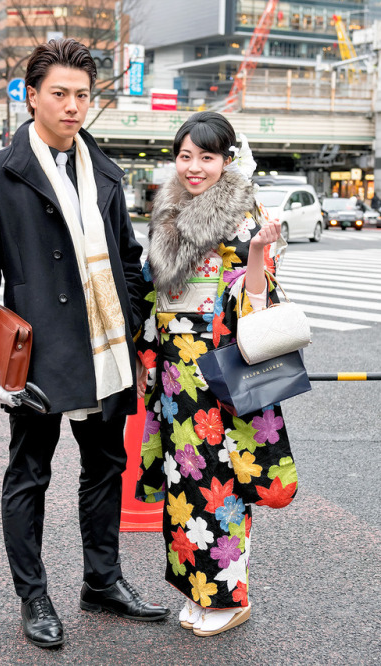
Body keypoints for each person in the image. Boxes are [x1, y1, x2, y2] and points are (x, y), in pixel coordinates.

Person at [0, 39, 169, 649]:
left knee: (106, 466)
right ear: (32, 96)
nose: (73, 106)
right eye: (60, 94)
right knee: (30, 471)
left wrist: (131, 325)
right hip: (40, 353)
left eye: (82, 94)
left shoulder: (103, 168)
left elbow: (128, 259)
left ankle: (102, 580)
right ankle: (34, 595)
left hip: (106, 347)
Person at [135, 112, 298, 637]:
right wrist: (148, 353)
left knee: (219, 485)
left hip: (219, 375)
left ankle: (229, 594)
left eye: (207, 156)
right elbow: (151, 291)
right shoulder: (167, 206)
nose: (194, 166)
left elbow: (258, 299)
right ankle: (195, 588)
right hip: (175, 376)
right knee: (185, 485)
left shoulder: (245, 211)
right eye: (185, 155)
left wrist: (254, 254)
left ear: (227, 160)